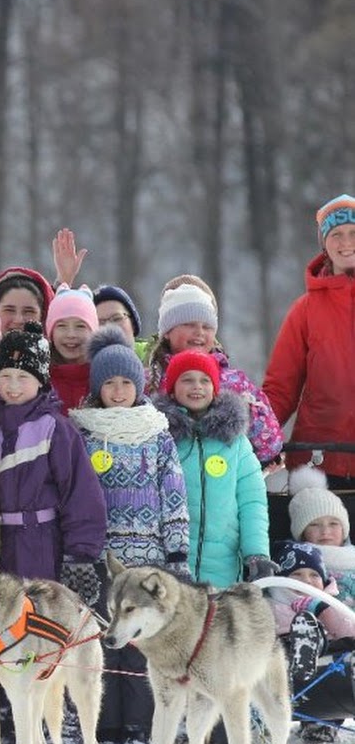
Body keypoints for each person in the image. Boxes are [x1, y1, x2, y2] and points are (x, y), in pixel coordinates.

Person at [69, 325, 189, 744]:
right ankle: (105, 725)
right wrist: (77, 550)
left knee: (142, 645)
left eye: (126, 384)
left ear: (138, 387)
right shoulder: (82, 433)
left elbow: (173, 492)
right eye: (109, 384)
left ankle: (141, 725)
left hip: (148, 559)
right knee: (105, 640)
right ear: (97, 388)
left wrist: (176, 551)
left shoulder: (156, 434)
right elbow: (73, 494)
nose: (118, 392)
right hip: (104, 558)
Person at [0, 320, 106, 590]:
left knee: (40, 617)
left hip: (41, 543)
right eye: (5, 376)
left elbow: (80, 491)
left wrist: (81, 553)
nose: (13, 385)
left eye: (23, 377)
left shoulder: (55, 428)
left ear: (40, 381)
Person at [153, 349, 274, 587]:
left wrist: (257, 553)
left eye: (204, 380)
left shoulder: (236, 443)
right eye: (187, 379)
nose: (196, 387)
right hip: (172, 566)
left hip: (224, 568)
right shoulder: (160, 437)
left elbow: (252, 502)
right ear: (172, 387)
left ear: (215, 388)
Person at [263, 194, 355, 493]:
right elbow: (280, 389)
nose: (346, 242)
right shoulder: (305, 310)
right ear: (325, 245)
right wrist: (254, 438)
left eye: (353, 233)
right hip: (319, 464)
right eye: (336, 235)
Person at [147, 282, 283, 466]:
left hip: (222, 481)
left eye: (207, 326)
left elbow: (271, 445)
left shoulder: (234, 383)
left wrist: (247, 414)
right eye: (189, 324)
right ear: (167, 332)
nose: (199, 332)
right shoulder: (150, 382)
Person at [268, 539, 355, 744]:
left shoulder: (331, 605)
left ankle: (322, 725)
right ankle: (303, 640)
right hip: (282, 671)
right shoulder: (268, 604)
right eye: (296, 575)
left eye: (314, 575)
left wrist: (322, 609)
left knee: (344, 644)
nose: (306, 581)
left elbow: (350, 631)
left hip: (327, 671)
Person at [288, 465, 355, 609]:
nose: (325, 531)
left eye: (333, 523)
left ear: (344, 529)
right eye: (314, 525)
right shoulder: (293, 559)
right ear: (302, 532)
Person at [44, 283, 99, 411]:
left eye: (80, 326)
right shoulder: (40, 378)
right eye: (61, 326)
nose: (71, 335)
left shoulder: (104, 375)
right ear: (51, 332)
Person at [0, 266, 55, 334]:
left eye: (28, 311)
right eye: (9, 310)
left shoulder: (62, 345)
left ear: (42, 316)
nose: (19, 320)